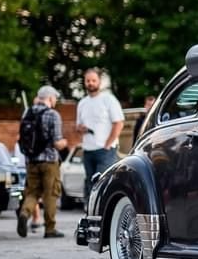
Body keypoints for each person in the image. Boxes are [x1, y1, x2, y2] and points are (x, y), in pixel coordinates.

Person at [17, 86, 68, 238]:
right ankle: (50, 228)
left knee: (32, 192)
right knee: (51, 193)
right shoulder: (53, 114)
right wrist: (65, 143)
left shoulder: (27, 112)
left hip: (31, 161)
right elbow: (57, 142)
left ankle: (25, 213)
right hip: (49, 161)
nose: (55, 102)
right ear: (51, 98)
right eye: (55, 99)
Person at [76, 68, 125, 203]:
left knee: (103, 182)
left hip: (105, 151)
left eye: (93, 80)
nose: (90, 83)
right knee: (90, 184)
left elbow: (119, 123)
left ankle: (104, 213)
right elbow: (77, 127)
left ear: (99, 82)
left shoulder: (108, 99)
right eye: (88, 81)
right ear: (85, 83)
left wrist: (108, 144)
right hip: (88, 150)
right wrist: (81, 128)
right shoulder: (82, 103)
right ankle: (91, 213)